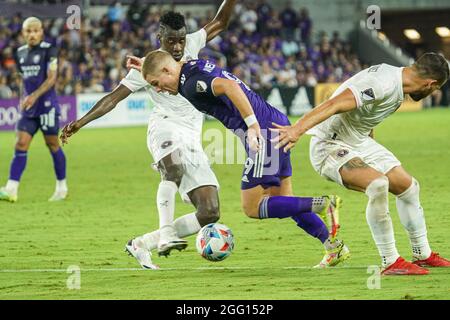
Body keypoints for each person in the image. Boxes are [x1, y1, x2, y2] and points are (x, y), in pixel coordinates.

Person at [60, 3, 237, 269]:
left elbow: (221, 22)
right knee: (173, 169)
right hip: (164, 126)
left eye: (180, 40)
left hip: (191, 133)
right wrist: (81, 122)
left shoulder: (192, 44)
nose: (177, 47)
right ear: (160, 37)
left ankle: (141, 244)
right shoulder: (147, 66)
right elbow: (113, 98)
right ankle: (166, 232)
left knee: (209, 212)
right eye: (171, 41)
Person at [141, 50, 350, 268]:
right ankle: (333, 247)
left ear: (167, 70)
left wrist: (251, 125)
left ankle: (325, 205)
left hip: (263, 132)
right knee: (285, 199)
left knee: (253, 207)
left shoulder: (191, 83)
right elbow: (169, 62)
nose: (157, 88)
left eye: (157, 82)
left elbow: (230, 87)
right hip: (274, 121)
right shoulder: (190, 67)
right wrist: (146, 64)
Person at [271, 52, 450, 275]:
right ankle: (390, 261)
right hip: (330, 144)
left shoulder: (398, 84)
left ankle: (422, 254)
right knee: (377, 185)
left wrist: (370, 151)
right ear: (430, 83)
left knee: (408, 187)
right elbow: (334, 104)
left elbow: (366, 116)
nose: (433, 93)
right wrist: (297, 130)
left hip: (360, 141)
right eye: (435, 89)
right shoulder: (382, 83)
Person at [0, 17, 67, 203]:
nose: (32, 34)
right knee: (20, 144)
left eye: (35, 31)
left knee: (52, 144)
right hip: (29, 108)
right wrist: (24, 97)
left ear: (41, 32)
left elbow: (52, 78)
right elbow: (23, 80)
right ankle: (11, 189)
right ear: (23, 33)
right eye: (28, 31)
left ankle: (62, 187)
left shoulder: (50, 50)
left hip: (46, 106)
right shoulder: (19, 53)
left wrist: (34, 96)